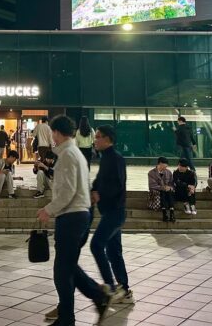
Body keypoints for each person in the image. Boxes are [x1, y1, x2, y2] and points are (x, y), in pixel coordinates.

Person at [37, 115, 112, 326]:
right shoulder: (72, 153)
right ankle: (88, 302)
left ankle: (82, 307)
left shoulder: (69, 154)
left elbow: (68, 191)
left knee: (62, 269)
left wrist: (48, 210)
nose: (52, 136)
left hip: (72, 216)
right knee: (67, 267)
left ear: (58, 133)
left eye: (52, 132)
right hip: (76, 215)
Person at [90, 125, 132, 304]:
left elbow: (117, 185)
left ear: (107, 139)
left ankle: (111, 287)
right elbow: (100, 180)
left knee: (96, 245)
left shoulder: (115, 158)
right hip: (110, 211)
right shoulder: (106, 158)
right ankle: (124, 289)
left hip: (115, 212)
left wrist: (100, 193)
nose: (95, 140)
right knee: (113, 251)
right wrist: (94, 189)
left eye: (98, 137)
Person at [148, 157, 175, 222]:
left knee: (169, 192)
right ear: (160, 163)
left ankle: (171, 213)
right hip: (157, 191)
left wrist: (170, 187)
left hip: (168, 191)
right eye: (165, 165)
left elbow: (172, 183)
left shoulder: (168, 172)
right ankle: (165, 212)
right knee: (163, 192)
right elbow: (152, 185)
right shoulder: (151, 173)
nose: (166, 167)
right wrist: (163, 188)